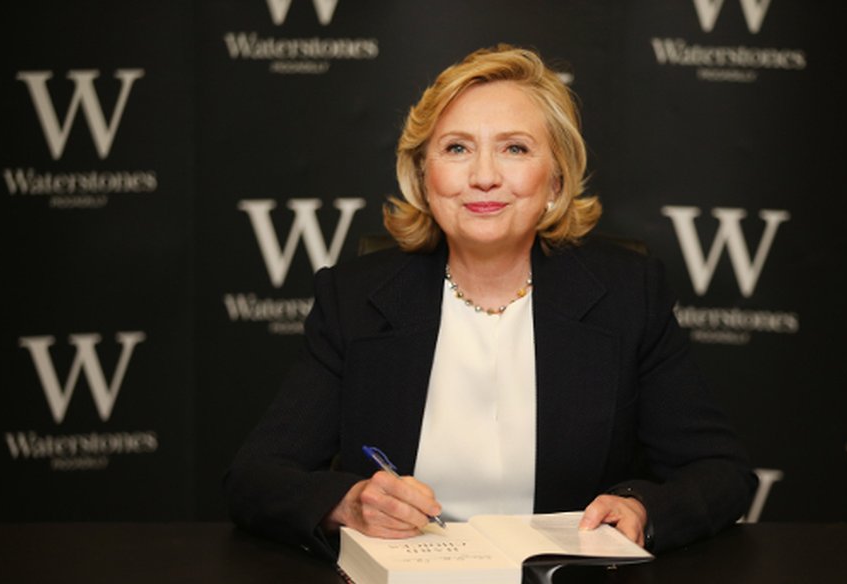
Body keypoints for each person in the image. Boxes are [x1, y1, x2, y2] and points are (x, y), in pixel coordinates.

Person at [224, 44, 757, 561]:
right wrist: (344, 505)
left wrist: (643, 509)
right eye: (457, 148)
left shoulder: (627, 294)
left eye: (515, 148)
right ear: (424, 176)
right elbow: (257, 476)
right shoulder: (355, 298)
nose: (483, 176)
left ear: (555, 179)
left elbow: (721, 470)